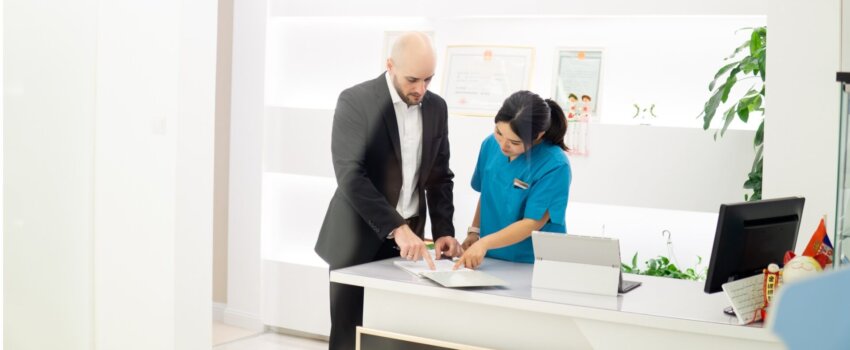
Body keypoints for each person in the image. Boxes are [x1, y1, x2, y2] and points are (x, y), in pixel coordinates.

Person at [314, 32, 462, 350]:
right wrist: (397, 227)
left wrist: (444, 231)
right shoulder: (355, 101)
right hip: (356, 237)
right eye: (412, 79)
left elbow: (439, 176)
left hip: (411, 242)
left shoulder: (437, 108)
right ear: (390, 65)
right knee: (349, 331)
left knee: (400, 330)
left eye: (428, 79)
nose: (421, 89)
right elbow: (351, 175)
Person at [454, 90, 571, 270]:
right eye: (499, 133)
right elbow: (488, 193)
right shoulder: (490, 145)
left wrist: (484, 243)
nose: (503, 145)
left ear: (538, 135)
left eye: (515, 142)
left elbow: (533, 222)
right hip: (491, 258)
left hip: (533, 262)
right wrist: (474, 232)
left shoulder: (555, 165)